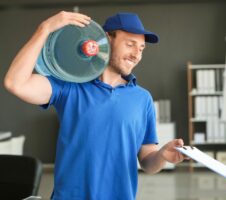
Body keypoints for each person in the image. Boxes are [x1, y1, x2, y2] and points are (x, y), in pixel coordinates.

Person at [4, 11, 186, 200]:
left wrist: (162, 155)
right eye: (130, 44)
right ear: (106, 40)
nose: (136, 54)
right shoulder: (70, 87)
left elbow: (148, 162)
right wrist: (45, 28)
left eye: (141, 48)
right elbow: (15, 83)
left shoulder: (143, 99)